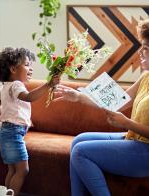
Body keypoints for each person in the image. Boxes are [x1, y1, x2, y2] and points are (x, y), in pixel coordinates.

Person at [53, 19, 149, 196]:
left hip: (146, 152)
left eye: (146, 48)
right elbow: (119, 101)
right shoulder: (146, 77)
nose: (140, 52)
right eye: (142, 46)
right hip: (133, 139)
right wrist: (79, 97)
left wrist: (127, 123)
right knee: (78, 141)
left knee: (81, 152)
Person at [0, 47, 60, 196]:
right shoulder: (16, 85)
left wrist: (5, 120)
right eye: (27, 65)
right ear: (13, 68)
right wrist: (48, 85)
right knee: (23, 169)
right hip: (13, 133)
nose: (31, 69)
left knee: (12, 170)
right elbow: (28, 97)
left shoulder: (5, 86)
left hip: (7, 131)